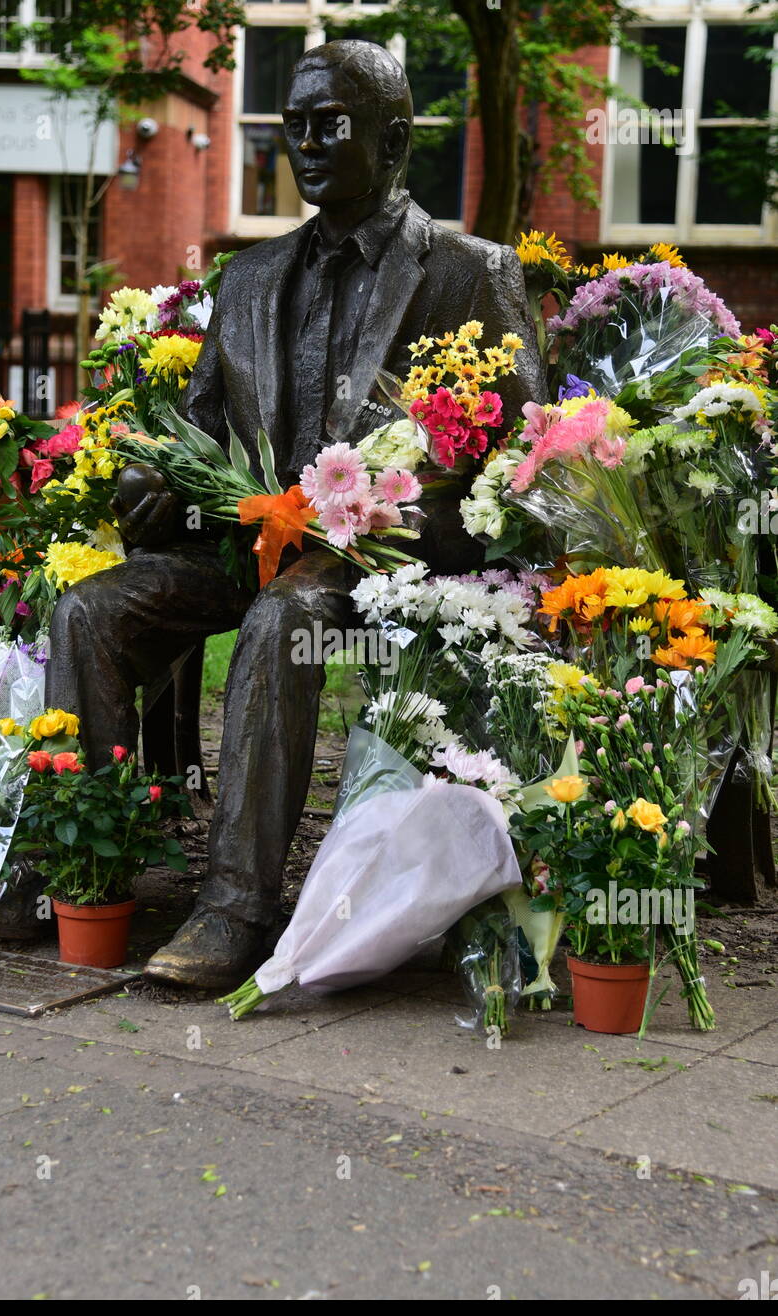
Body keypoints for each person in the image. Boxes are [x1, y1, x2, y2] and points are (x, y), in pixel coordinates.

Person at [46, 40, 548, 987]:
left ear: (395, 138)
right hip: (248, 545)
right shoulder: (245, 280)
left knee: (285, 623)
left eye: (332, 123)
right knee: (91, 608)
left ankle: (237, 904)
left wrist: (405, 525)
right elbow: (190, 439)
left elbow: (527, 478)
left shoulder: (469, 275)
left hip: (389, 566)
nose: (305, 143)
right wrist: (150, 490)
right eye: (294, 124)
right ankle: (84, 871)